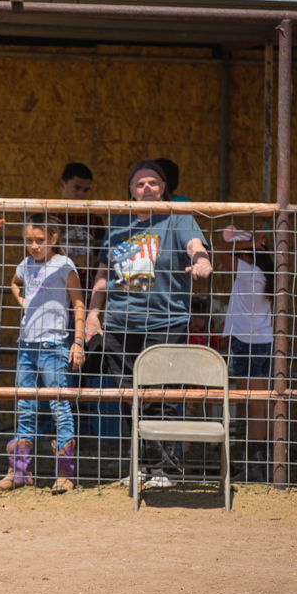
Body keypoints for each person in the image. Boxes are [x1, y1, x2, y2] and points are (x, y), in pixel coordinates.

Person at [84, 160, 212, 474]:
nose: (147, 188)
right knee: (132, 397)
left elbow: (195, 246)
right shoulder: (120, 223)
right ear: (130, 190)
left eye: (153, 182)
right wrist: (92, 315)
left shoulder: (178, 219)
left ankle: (166, 468)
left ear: (164, 188)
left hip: (165, 324)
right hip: (120, 324)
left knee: (164, 397)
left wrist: (202, 261)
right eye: (140, 183)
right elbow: (103, 273)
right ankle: (140, 463)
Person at [0, 216, 86, 494]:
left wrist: (77, 342)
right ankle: (19, 472)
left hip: (55, 346)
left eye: (40, 241)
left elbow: (79, 305)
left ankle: (65, 474)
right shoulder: (26, 265)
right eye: (29, 241)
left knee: (59, 406)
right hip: (26, 345)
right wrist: (24, 304)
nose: (34, 246)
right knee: (24, 406)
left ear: (53, 239)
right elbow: (14, 283)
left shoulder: (64, 266)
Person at [215, 225, 275, 483]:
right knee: (263, 407)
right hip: (265, 343)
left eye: (241, 254)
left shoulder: (248, 273)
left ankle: (253, 465)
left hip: (246, 345)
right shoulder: (266, 274)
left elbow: (218, 250)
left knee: (253, 409)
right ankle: (269, 461)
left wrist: (247, 241)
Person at [52, 162, 106, 294]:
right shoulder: (49, 218)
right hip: (54, 292)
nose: (81, 194)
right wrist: (75, 260)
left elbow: (103, 260)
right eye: (77, 188)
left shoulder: (95, 221)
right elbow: (39, 256)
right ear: (62, 184)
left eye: (86, 190)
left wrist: (93, 261)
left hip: (86, 293)